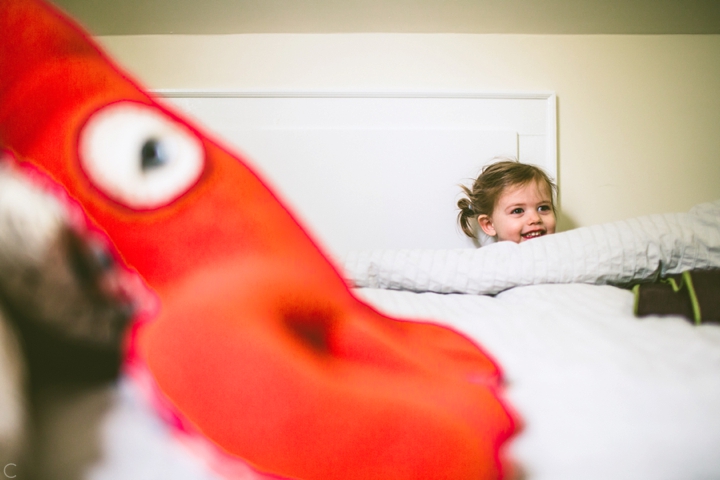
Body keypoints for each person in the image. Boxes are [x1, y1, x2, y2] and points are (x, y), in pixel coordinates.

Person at [457, 159, 557, 244]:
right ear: (489, 224)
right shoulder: (491, 264)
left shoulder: (562, 256)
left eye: (543, 208)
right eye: (518, 211)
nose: (535, 219)